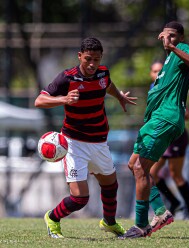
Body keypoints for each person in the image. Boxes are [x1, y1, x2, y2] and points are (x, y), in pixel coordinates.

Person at [34, 37, 137, 238]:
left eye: (96, 60)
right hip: (74, 143)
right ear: (79, 56)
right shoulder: (67, 78)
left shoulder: (103, 73)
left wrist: (120, 97)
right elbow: (39, 100)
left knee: (110, 185)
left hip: (99, 142)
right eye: (88, 59)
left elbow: (107, 85)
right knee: (80, 198)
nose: (92, 64)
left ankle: (109, 223)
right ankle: (52, 218)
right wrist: (64, 99)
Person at [120, 21, 189, 239]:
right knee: (133, 165)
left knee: (141, 168)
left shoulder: (181, 50)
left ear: (181, 38)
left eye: (174, 36)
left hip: (166, 119)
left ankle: (141, 225)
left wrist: (174, 46)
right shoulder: (167, 62)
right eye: (166, 36)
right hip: (154, 120)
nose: (169, 39)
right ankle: (160, 211)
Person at [149, 61, 189, 219]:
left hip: (176, 137)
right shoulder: (153, 88)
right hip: (162, 137)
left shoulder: (173, 86)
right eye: (155, 71)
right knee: (152, 173)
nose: (157, 74)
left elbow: (187, 114)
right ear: (151, 74)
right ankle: (174, 202)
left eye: (160, 71)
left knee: (176, 174)